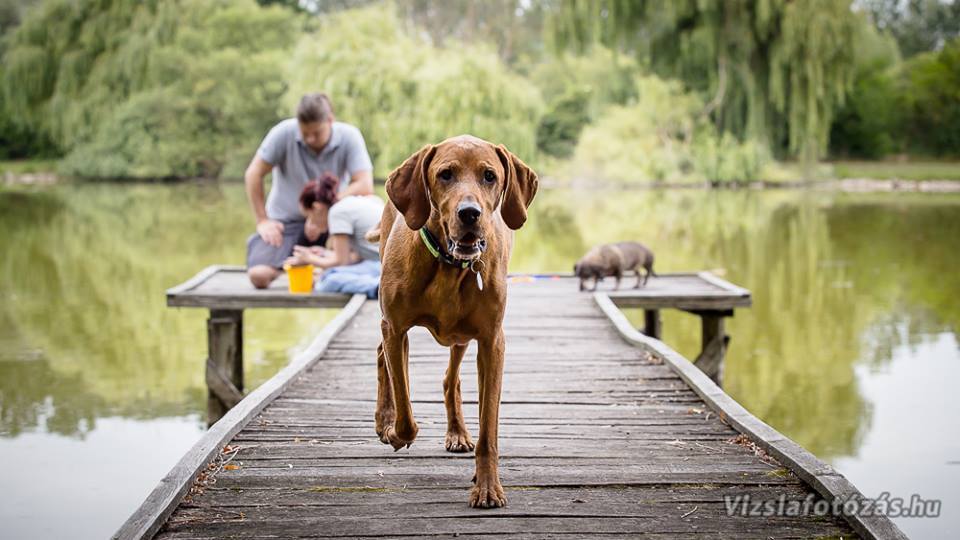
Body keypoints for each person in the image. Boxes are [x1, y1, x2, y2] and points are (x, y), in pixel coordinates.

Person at [244, 93, 374, 289]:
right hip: (286, 224)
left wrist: (322, 212)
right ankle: (304, 268)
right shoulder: (283, 133)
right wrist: (262, 220)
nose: (310, 139)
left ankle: (326, 266)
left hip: (333, 223)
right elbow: (253, 174)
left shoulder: (349, 136)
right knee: (259, 275)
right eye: (305, 133)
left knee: (368, 215)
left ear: (330, 120)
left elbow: (365, 185)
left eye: (316, 133)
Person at [285, 174, 384, 298]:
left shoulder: (337, 212)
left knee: (328, 280)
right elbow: (355, 257)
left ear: (317, 207)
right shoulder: (349, 203)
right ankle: (378, 284)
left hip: (382, 265)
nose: (311, 224)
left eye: (310, 217)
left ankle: (379, 287)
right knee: (329, 275)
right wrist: (324, 254)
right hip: (382, 264)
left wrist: (309, 259)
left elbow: (342, 262)